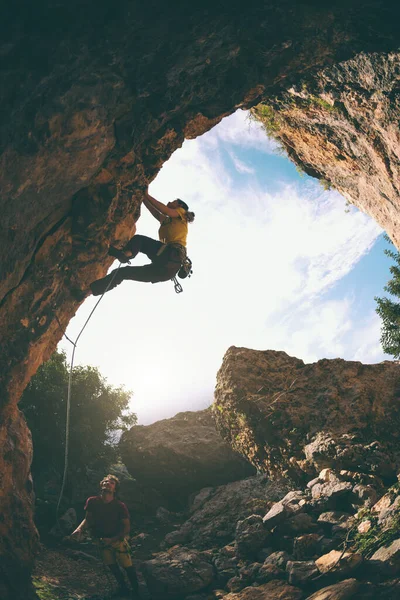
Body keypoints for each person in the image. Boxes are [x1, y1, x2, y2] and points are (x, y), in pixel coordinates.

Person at [90, 189, 195, 296]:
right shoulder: (170, 221)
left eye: (174, 201)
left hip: (170, 254)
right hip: (167, 271)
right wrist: (143, 198)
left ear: (180, 205)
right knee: (122, 273)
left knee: (139, 240)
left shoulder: (181, 213)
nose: (171, 201)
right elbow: (157, 213)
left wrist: (147, 195)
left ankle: (126, 254)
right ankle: (91, 290)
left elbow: (165, 210)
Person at [71, 474, 139, 599]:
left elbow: (127, 527)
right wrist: (79, 529)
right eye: (105, 481)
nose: (108, 483)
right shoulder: (92, 501)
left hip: (117, 540)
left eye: (111, 483)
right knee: (112, 566)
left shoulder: (119, 506)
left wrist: (113, 539)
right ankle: (123, 588)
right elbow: (88, 519)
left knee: (127, 566)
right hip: (101, 541)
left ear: (115, 489)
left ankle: (137, 592)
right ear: (101, 485)